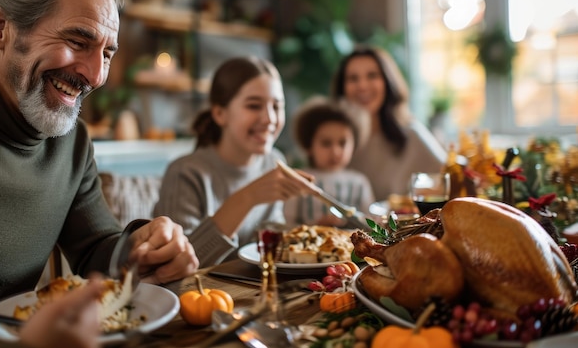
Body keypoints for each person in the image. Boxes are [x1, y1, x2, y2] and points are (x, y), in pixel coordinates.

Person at [0, 0, 199, 341]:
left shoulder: (71, 141)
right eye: (78, 40)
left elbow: (95, 248)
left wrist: (143, 248)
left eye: (107, 53)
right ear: (0, 27)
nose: (95, 75)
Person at [152, 56, 315, 267]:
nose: (269, 119)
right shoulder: (185, 173)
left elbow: (271, 243)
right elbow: (174, 266)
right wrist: (248, 197)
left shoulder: (274, 162)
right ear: (220, 114)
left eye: (276, 106)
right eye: (254, 105)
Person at [331, 46, 447, 202]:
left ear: (387, 82)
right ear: (342, 88)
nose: (363, 86)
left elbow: (450, 180)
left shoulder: (411, 134)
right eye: (353, 78)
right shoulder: (333, 141)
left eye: (372, 76)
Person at [284, 97, 375, 227]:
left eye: (342, 143)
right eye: (326, 143)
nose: (335, 151)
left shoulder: (360, 182)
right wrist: (315, 226)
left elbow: (370, 224)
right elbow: (288, 223)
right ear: (309, 145)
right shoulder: (300, 180)